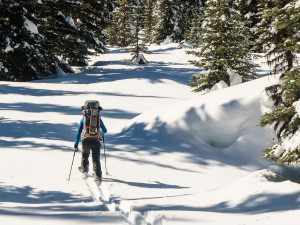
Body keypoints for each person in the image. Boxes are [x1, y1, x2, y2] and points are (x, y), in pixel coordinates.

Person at [74, 116, 107, 182]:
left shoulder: (83, 119)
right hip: (96, 141)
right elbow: (105, 130)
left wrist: (76, 143)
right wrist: (100, 134)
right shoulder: (98, 119)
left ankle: (84, 171)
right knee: (96, 159)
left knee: (85, 155)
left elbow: (78, 132)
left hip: (86, 142)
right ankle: (98, 175)